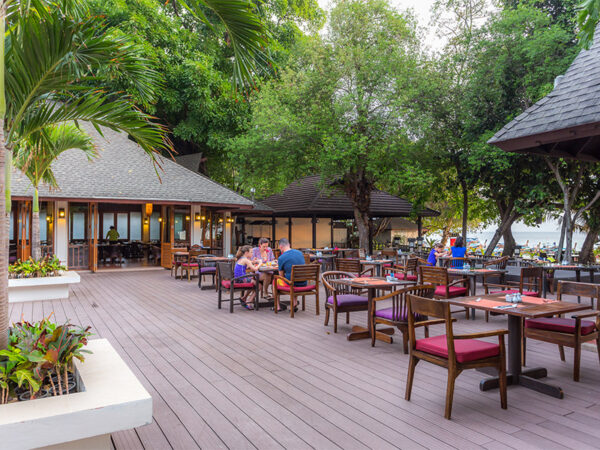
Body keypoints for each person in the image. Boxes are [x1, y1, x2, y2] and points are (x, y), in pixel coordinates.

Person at [276, 238, 306, 310]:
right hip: (303, 282)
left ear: (280, 247)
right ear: (289, 245)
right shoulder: (300, 253)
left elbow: (281, 276)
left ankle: (277, 306)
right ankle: (294, 303)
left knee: (275, 281)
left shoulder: (281, 258)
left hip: (292, 284)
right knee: (293, 277)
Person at [234, 245, 263, 309]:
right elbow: (255, 269)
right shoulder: (245, 260)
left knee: (253, 282)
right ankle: (249, 301)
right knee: (259, 286)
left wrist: (252, 262)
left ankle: (244, 298)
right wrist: (260, 263)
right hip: (241, 279)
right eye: (251, 252)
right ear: (246, 253)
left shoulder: (241, 258)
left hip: (237, 279)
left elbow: (246, 266)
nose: (252, 253)